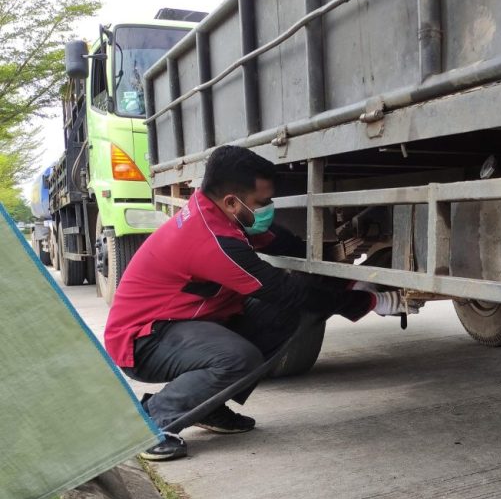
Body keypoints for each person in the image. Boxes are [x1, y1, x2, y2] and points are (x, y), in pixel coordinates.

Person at [104, 145, 414, 461]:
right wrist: (368, 301)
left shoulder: (222, 215)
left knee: (284, 316)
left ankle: (206, 406)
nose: (268, 209)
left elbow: (286, 245)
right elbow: (285, 290)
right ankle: (152, 422)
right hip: (143, 342)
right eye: (262, 203)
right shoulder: (213, 240)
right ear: (231, 202)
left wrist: (344, 276)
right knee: (239, 357)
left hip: (180, 325)